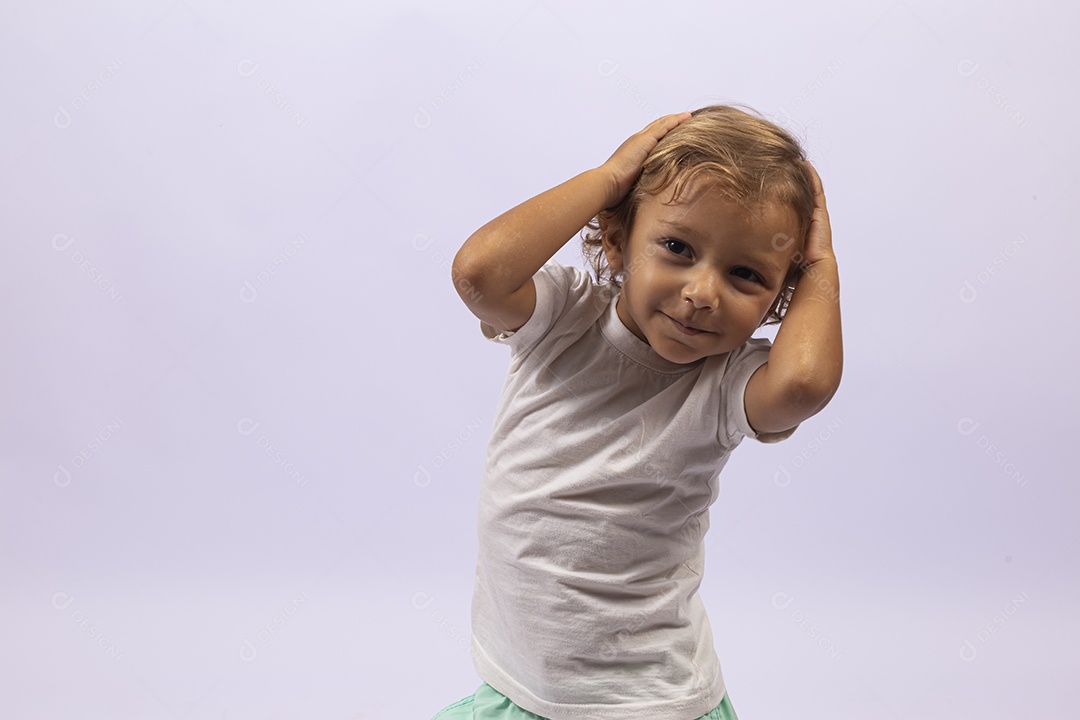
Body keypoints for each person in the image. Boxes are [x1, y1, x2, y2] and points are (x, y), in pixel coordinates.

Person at [434, 105, 843, 720]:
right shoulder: (566, 316)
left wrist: (820, 266)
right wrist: (608, 177)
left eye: (746, 274)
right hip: (519, 684)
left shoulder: (726, 380)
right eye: (677, 246)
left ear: (779, 297)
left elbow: (804, 384)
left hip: (648, 700)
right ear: (620, 240)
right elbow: (479, 274)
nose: (703, 293)